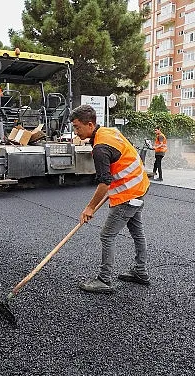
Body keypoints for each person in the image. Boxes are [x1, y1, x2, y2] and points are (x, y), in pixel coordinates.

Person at [70, 104, 151, 294]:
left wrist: (89, 208)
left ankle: (104, 280)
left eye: (77, 127)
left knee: (107, 235)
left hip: (128, 193)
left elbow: (104, 183)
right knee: (137, 231)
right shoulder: (108, 132)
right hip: (140, 186)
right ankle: (141, 271)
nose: (75, 131)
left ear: (90, 124)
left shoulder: (100, 148)